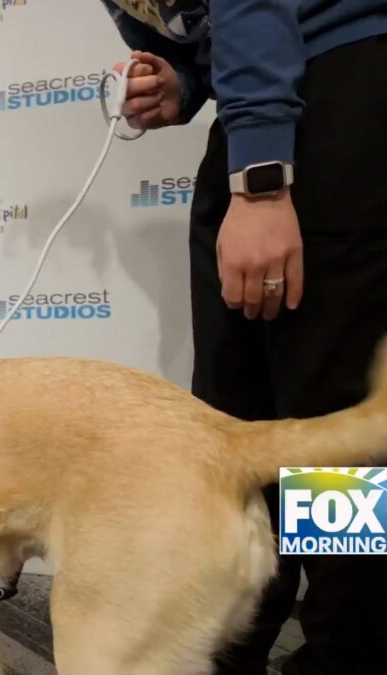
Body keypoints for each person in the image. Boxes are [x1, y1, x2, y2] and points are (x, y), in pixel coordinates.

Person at [101, 1, 387, 673]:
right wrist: (179, 83)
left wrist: (261, 184)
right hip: (254, 110)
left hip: (332, 89)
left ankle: (350, 649)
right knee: (236, 427)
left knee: (326, 434)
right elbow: (192, 32)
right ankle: (230, 643)